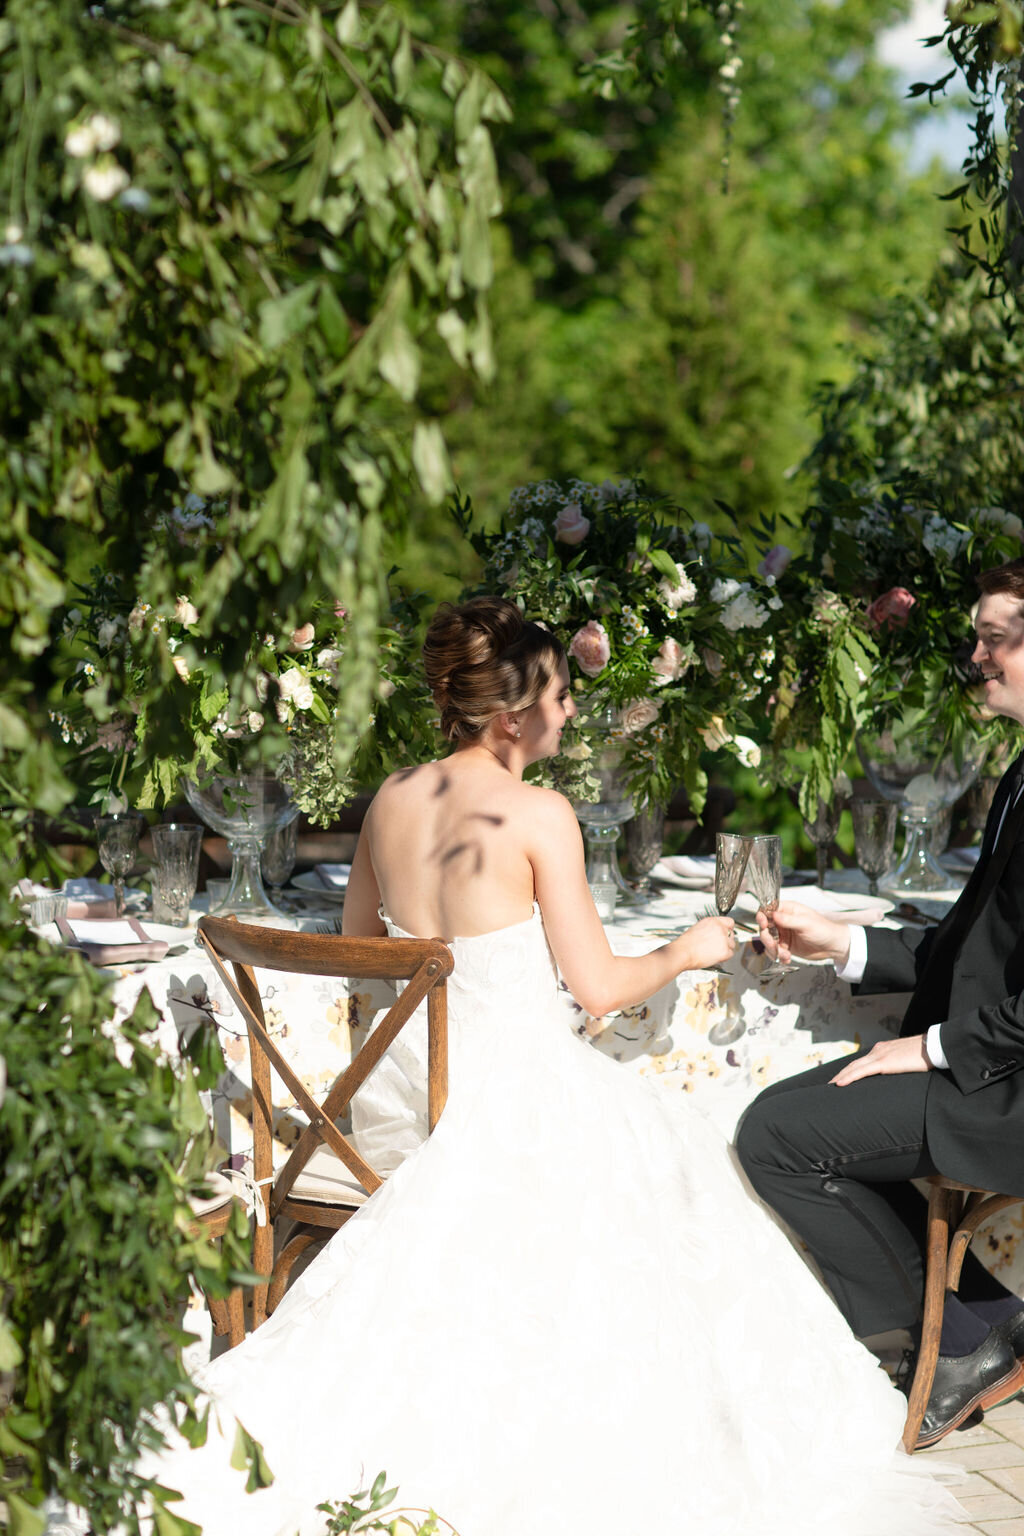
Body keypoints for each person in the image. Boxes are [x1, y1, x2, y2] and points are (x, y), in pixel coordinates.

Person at [146, 597, 959, 1534]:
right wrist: (690, 951)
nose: (571, 714)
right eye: (561, 697)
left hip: (394, 1098)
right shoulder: (541, 814)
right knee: (671, 1154)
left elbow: (361, 948)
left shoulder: (393, 797)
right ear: (511, 717)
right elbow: (603, 987)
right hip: (492, 1102)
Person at [737, 556, 1024, 1451]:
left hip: (1008, 1083)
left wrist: (936, 1048)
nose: (974, 656)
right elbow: (976, 946)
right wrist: (846, 943)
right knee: (784, 1114)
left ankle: (951, 1348)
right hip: (995, 1061)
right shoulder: (1021, 776)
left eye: (994, 639)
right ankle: (989, 1323)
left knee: (780, 1140)